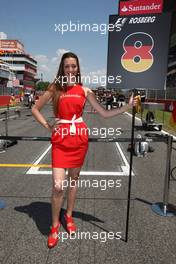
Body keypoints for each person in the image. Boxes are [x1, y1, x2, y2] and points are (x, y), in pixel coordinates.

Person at [31, 52, 136, 248]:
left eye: (73, 66)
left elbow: (104, 113)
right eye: (67, 66)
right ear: (62, 68)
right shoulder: (54, 88)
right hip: (61, 140)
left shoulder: (85, 90)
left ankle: (69, 216)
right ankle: (54, 225)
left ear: (78, 68)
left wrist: (127, 107)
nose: (70, 69)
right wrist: (49, 126)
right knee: (57, 186)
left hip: (79, 139)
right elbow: (35, 109)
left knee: (73, 181)